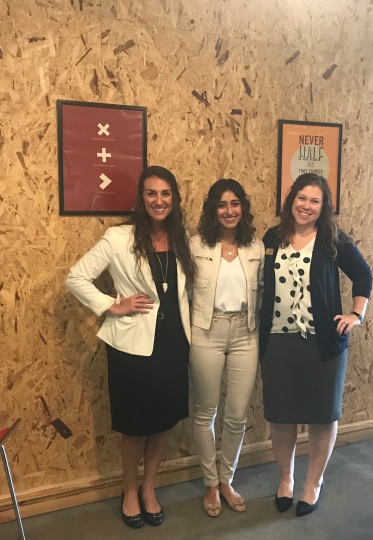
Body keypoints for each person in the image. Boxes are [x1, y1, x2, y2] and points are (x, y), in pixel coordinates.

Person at [65, 165, 196, 529]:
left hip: (174, 344)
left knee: (164, 422)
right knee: (136, 426)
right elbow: (75, 277)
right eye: (152, 193)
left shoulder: (181, 236)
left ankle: (149, 487)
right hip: (132, 347)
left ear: (174, 198)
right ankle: (128, 491)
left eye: (166, 194)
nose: (159, 200)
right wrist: (112, 304)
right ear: (142, 198)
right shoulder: (118, 237)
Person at [258, 173, 372, 517]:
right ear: (291, 199)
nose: (306, 206)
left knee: (322, 417)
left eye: (314, 201)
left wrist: (356, 314)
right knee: (281, 418)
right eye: (301, 198)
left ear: (323, 208)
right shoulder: (272, 238)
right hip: (278, 342)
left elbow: (363, 275)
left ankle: (313, 484)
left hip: (322, 343)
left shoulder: (332, 240)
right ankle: (286, 479)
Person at [189, 179, 264, 517]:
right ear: (213, 209)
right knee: (206, 412)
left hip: (246, 334)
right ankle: (210, 484)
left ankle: (226, 480)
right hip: (207, 332)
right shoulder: (196, 245)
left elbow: (262, 292)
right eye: (222, 204)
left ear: (242, 208)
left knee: (236, 415)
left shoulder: (256, 248)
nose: (229, 210)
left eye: (235, 204)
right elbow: (182, 291)